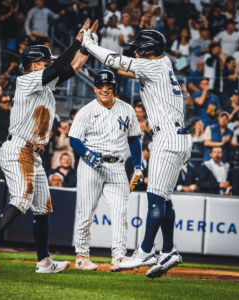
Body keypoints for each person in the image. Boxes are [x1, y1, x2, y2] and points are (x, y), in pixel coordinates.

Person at [0, 19, 97, 274]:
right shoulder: (25, 80)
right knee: (21, 200)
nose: (47, 65)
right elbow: (60, 65)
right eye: (43, 62)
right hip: (19, 148)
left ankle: (44, 261)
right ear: (33, 65)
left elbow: (71, 68)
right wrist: (76, 41)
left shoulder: (44, 83)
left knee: (42, 208)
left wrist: (87, 46)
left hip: (33, 153)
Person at [81, 29, 192, 278]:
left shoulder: (154, 67)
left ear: (148, 49)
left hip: (168, 137)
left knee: (155, 197)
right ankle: (168, 250)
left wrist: (89, 45)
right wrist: (97, 50)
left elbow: (116, 61)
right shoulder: (163, 63)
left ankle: (144, 251)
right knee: (164, 198)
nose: (135, 50)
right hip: (179, 136)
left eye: (138, 47)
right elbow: (123, 68)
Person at [68, 69, 142, 271]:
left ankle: (118, 255)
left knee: (120, 211)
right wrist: (87, 153)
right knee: (85, 211)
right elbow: (74, 139)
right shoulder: (86, 111)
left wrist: (138, 166)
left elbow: (134, 138)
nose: (105, 90)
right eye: (101, 86)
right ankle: (82, 256)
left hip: (117, 165)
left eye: (109, 87)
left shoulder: (127, 109)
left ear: (114, 89)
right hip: (92, 165)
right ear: (95, 88)